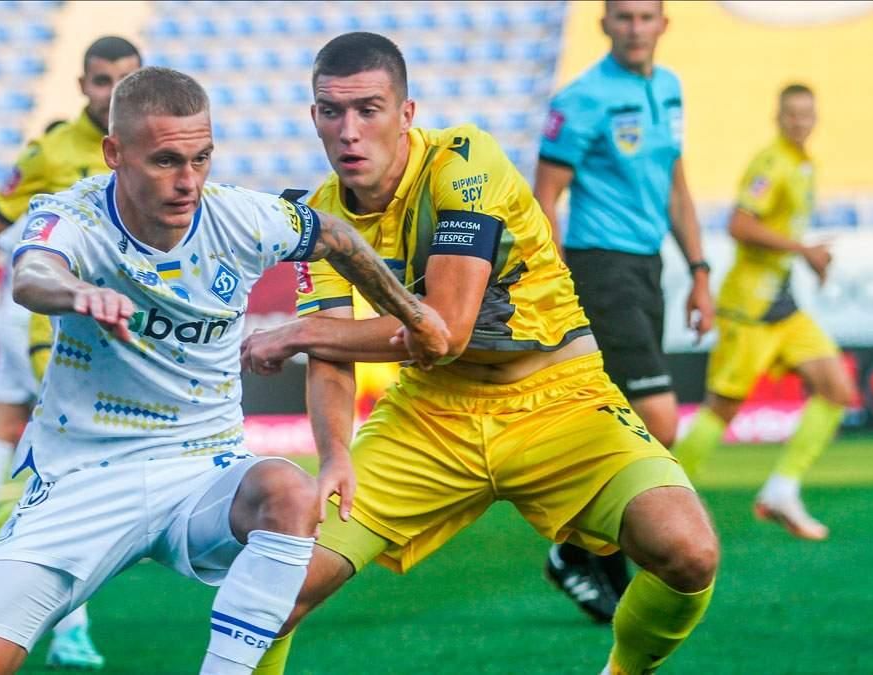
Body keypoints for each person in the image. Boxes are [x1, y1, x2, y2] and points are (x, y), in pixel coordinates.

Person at [0, 66, 450, 675]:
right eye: (166, 162)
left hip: (202, 469)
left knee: (287, 492)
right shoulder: (74, 215)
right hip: (84, 477)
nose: (188, 182)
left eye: (201, 159)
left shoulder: (241, 216)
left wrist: (413, 313)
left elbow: (335, 236)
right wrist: (76, 292)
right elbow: (31, 274)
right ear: (115, 153)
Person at [242, 32, 718, 675]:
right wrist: (333, 455)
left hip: (560, 402)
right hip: (432, 414)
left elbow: (446, 331)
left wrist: (295, 335)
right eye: (332, 111)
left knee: (689, 552)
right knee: (273, 586)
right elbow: (332, 352)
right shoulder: (320, 217)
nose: (349, 131)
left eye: (368, 110)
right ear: (314, 116)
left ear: (406, 114)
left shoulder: (464, 160)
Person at [0, 36, 142, 667]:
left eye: (125, 80)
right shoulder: (52, 151)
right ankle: (69, 627)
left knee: (36, 443)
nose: (112, 92)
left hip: (112, 323)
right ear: (82, 86)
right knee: (75, 464)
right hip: (50, 323)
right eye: (101, 80)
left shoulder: (149, 143)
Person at [532, 0, 714, 622]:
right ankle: (572, 550)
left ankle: (599, 558)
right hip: (600, 268)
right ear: (604, 24)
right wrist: (557, 283)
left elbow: (676, 185)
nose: (636, 28)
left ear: (664, 23)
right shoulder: (583, 98)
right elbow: (545, 196)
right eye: (624, 17)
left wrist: (699, 272)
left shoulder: (669, 88)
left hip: (648, 267)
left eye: (646, 17)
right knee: (659, 420)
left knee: (623, 423)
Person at [674, 84, 855, 540]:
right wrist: (803, 250)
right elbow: (739, 224)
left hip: (783, 306)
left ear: (816, 118)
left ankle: (781, 490)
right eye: (791, 114)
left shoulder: (804, 164)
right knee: (723, 409)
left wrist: (805, 257)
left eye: (806, 114)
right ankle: (667, 500)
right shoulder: (771, 164)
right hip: (749, 310)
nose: (800, 122)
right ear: (778, 117)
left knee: (836, 389)